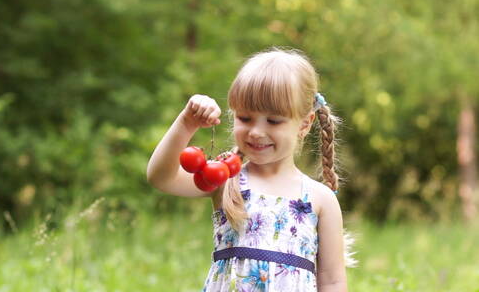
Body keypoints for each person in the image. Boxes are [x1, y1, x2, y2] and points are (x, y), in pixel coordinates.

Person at [147, 47, 352, 292]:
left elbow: (333, 280)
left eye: (273, 121)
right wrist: (186, 123)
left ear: (305, 124)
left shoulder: (320, 198)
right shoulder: (225, 178)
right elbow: (161, 177)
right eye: (245, 118)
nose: (255, 131)